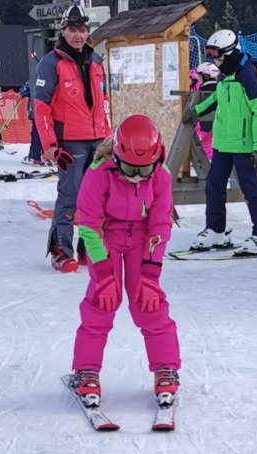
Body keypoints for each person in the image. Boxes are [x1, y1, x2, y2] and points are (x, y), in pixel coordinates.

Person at [71, 115, 181, 410]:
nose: (136, 177)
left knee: (149, 302)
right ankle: (86, 369)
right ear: (116, 155)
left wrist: (151, 274)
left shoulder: (161, 175)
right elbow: (89, 225)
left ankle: (165, 368)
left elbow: (160, 225)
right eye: (130, 169)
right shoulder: (98, 171)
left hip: (143, 237)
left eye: (144, 169)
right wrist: (104, 275)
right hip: (107, 235)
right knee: (101, 302)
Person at [34, 4, 112, 273]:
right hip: (70, 141)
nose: (78, 35)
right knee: (70, 197)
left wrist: (109, 138)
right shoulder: (51, 63)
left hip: (98, 140)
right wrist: (49, 145)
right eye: (73, 30)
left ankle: (88, 247)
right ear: (63, 31)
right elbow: (41, 106)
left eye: (82, 30)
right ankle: (60, 250)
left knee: (99, 197)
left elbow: (103, 101)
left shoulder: (96, 61)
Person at [184, 29, 257, 256]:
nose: (214, 58)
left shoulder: (247, 75)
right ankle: (216, 230)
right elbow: (217, 98)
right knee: (214, 186)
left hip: (243, 145)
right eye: (210, 53)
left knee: (251, 189)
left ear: (230, 51)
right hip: (222, 144)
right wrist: (197, 110)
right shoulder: (225, 75)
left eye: (216, 53)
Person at [195, 62, 220, 160]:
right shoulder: (220, 88)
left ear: (206, 76)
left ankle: (208, 160)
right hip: (219, 123)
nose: (198, 78)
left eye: (200, 75)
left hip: (205, 124)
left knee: (207, 145)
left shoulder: (202, 90)